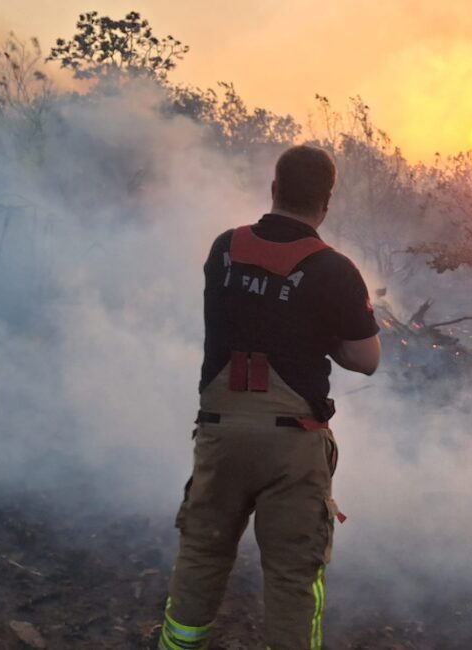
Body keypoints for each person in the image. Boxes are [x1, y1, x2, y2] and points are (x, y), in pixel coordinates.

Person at [159, 145, 381, 650]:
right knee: (292, 575)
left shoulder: (224, 249)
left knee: (202, 554)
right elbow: (366, 358)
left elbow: (248, 312)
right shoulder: (335, 270)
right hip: (292, 445)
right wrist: (325, 333)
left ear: (274, 188)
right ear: (326, 203)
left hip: (220, 433)